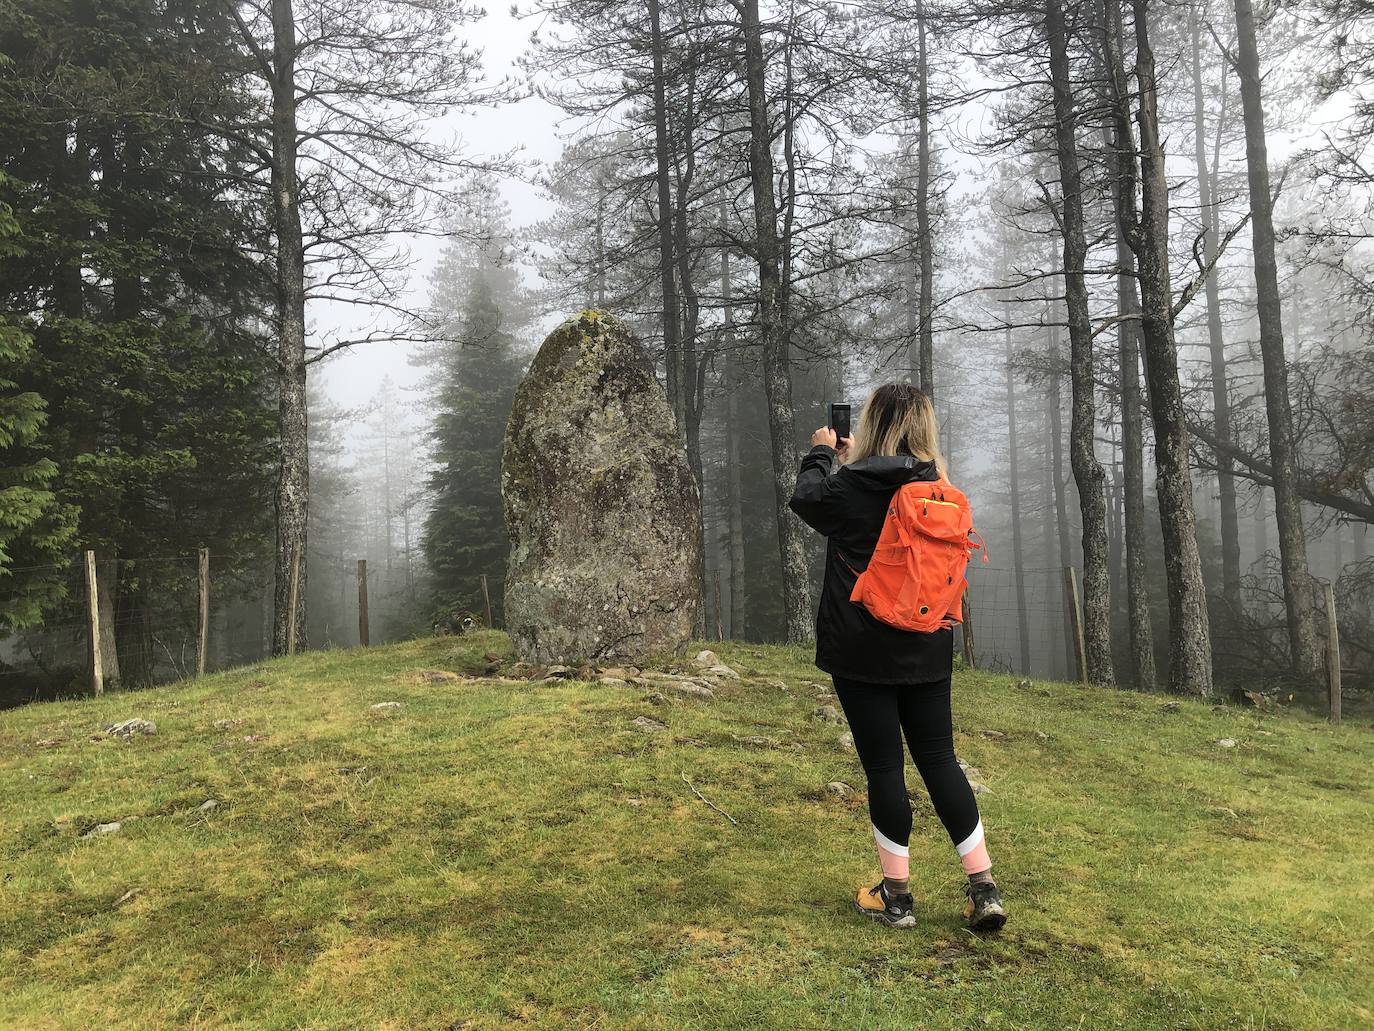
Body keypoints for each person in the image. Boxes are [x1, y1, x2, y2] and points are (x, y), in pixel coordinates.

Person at [787, 382, 1006, 932]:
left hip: (861, 648)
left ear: (874, 424)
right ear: (924, 429)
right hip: (927, 643)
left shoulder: (853, 486)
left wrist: (822, 452)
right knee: (939, 759)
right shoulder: (940, 489)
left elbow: (807, 498)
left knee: (884, 766)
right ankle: (984, 888)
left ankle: (898, 897)